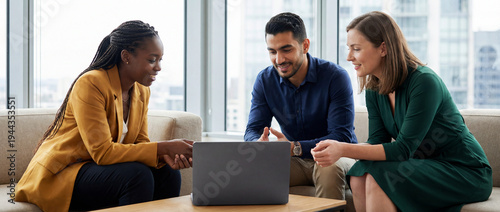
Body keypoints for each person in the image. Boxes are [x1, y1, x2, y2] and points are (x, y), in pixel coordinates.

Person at [311, 11, 492, 212]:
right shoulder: (374, 88)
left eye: (356, 49)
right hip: (420, 166)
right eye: (348, 49)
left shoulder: (424, 82)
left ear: (383, 48)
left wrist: (343, 149)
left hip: (463, 169)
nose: (349, 57)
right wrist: (334, 148)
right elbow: (377, 140)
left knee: (378, 179)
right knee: (359, 174)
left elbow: (403, 149)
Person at [15, 20, 194, 212]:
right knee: (137, 176)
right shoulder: (91, 83)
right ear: (126, 56)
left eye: (160, 60)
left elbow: (139, 142)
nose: (158, 67)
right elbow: (102, 152)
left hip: (99, 170)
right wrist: (164, 147)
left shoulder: (141, 91)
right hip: (64, 172)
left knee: (167, 173)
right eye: (152, 60)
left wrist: (162, 155)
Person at [244, 12, 358, 201]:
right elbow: (253, 129)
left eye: (286, 50)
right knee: (253, 169)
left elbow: (341, 135)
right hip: (295, 161)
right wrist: (258, 143)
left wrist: (294, 148)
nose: (279, 60)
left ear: (305, 45)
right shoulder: (265, 81)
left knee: (328, 168)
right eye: (272, 52)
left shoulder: (335, 77)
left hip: (335, 156)